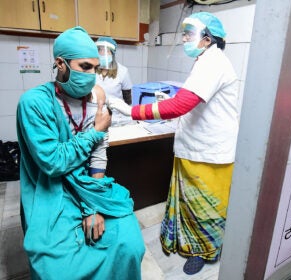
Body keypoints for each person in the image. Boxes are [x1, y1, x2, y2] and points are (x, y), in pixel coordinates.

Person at [108, 12, 241, 275]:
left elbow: (181, 104)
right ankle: (188, 241)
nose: (183, 39)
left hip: (210, 152)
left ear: (207, 39)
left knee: (206, 206)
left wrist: (130, 110)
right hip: (196, 147)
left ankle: (206, 251)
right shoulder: (205, 61)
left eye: (189, 34)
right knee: (191, 202)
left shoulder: (214, 62)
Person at [16, 26, 145, 280]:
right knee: (55, 268)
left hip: (89, 186)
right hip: (52, 189)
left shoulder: (96, 98)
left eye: (96, 69)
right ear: (60, 64)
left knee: (130, 244)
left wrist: (92, 206)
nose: (92, 76)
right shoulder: (34, 103)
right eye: (85, 67)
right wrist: (96, 132)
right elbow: (53, 162)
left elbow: (98, 155)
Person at [95, 36, 133, 125]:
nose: (103, 53)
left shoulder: (122, 71)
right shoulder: (90, 70)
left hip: (117, 118)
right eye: (100, 50)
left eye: (107, 51)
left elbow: (128, 99)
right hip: (95, 116)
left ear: (112, 54)